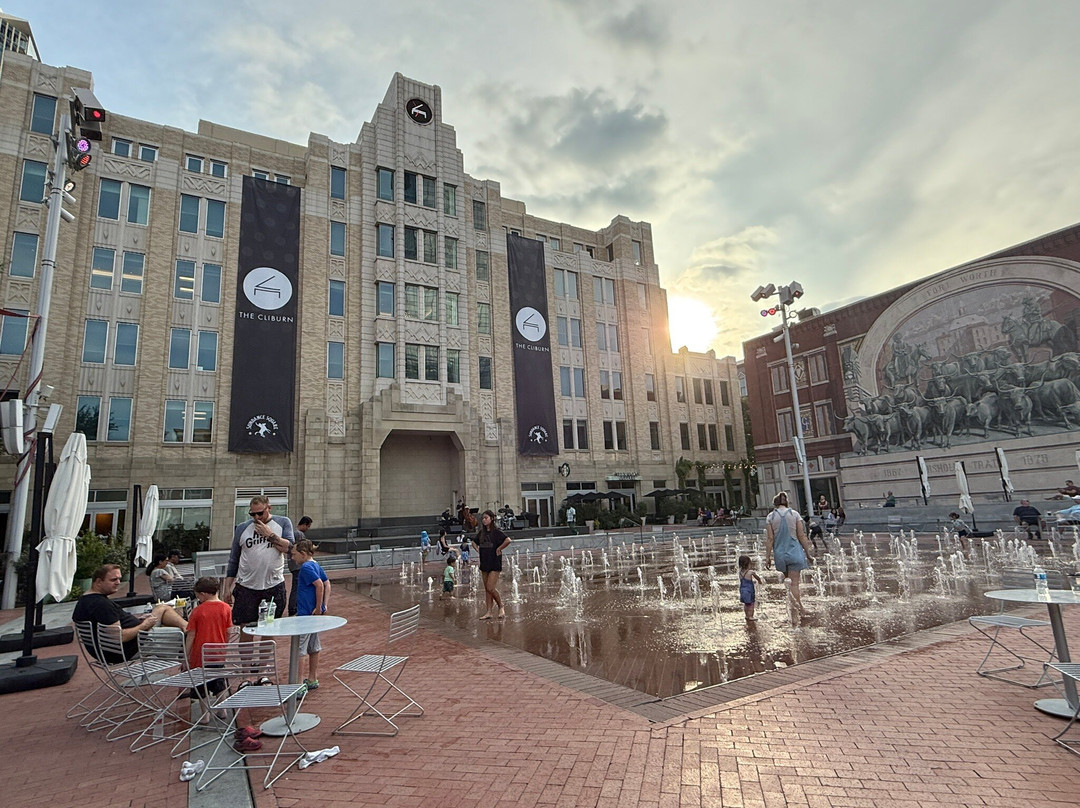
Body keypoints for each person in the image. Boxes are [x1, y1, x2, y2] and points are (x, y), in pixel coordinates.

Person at [72, 564, 187, 663]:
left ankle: (188, 626)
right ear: (98, 582)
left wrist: (138, 619)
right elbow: (120, 636)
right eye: (113, 580)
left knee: (162, 608)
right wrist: (144, 625)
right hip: (131, 647)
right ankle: (190, 662)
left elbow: (112, 624)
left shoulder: (84, 601)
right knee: (183, 635)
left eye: (119, 579)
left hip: (110, 649)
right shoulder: (101, 605)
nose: (118, 583)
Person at [222, 496, 294, 630]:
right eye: (253, 514)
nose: (257, 517)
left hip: (273, 584)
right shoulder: (243, 528)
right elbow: (234, 559)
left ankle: (266, 651)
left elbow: (290, 549)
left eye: (260, 513)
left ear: (269, 508)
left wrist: (270, 535)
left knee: (270, 626)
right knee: (246, 627)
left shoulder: (282, 522)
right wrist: (227, 588)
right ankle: (246, 651)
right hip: (246, 586)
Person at [764, 492, 815, 618]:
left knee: (788, 583)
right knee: (794, 583)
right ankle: (800, 609)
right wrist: (808, 554)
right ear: (786, 501)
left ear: (775, 503)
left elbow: (770, 539)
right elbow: (801, 536)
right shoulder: (795, 514)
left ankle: (793, 608)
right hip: (794, 552)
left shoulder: (770, 517)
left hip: (780, 554)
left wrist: (767, 558)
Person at [184, 576, 233, 698]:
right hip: (218, 653)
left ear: (203, 594)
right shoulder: (226, 608)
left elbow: (191, 635)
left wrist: (186, 656)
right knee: (219, 684)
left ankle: (205, 716)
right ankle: (223, 710)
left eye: (198, 596)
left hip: (200, 655)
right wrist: (225, 646)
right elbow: (229, 631)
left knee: (201, 687)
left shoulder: (197, 611)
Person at [290, 539, 330, 690]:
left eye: (294, 555)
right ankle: (312, 678)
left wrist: (319, 607)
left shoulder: (306, 567)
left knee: (300, 649)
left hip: (305, 615)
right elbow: (327, 583)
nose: (292, 558)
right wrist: (324, 605)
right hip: (312, 616)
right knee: (314, 647)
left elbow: (319, 584)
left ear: (303, 554)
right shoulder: (315, 564)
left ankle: (298, 684)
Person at [472, 509, 510, 620]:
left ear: (492, 518)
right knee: (487, 589)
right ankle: (488, 612)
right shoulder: (482, 533)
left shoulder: (496, 532)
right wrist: (477, 549)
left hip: (494, 562)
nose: (484, 520)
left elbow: (508, 540)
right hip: (484, 562)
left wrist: (499, 548)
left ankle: (501, 606)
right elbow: (474, 542)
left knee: (490, 587)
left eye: (486, 518)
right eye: (483, 518)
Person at [286, 516, 313, 617]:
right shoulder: (299, 534)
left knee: (296, 585)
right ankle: (293, 608)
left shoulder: (292, 532)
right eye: (308, 526)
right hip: (297, 565)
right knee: (296, 587)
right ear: (304, 524)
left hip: (292, 564)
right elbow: (303, 548)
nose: (308, 529)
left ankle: (293, 607)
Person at [738, 555, 764, 621]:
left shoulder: (740, 572)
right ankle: (751, 616)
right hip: (749, 590)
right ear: (748, 564)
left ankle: (747, 615)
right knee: (751, 603)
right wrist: (760, 581)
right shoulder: (750, 572)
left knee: (746, 604)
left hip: (742, 590)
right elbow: (757, 577)